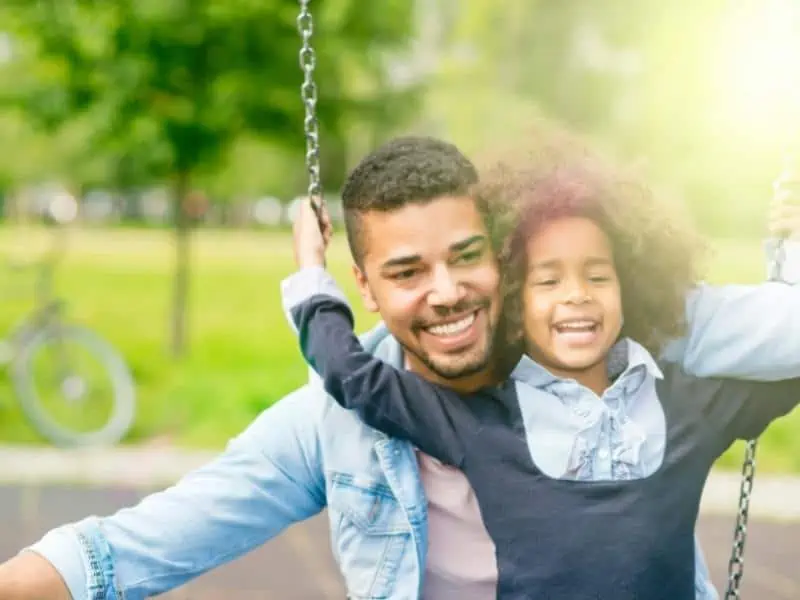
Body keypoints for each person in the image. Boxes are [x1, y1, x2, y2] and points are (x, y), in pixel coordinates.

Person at [2, 136, 800, 600]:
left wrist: (789, 249)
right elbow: (123, 551)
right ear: (369, 292)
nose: (447, 293)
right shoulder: (335, 423)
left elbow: (783, 332)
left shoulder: (613, 341)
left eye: (465, 258)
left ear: (505, 253)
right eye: (409, 272)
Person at [282, 149, 800, 599]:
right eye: (547, 280)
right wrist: (311, 268)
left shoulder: (688, 408)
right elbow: (351, 376)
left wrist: (791, 249)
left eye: (598, 275)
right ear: (511, 301)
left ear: (632, 289)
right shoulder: (477, 423)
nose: (577, 293)